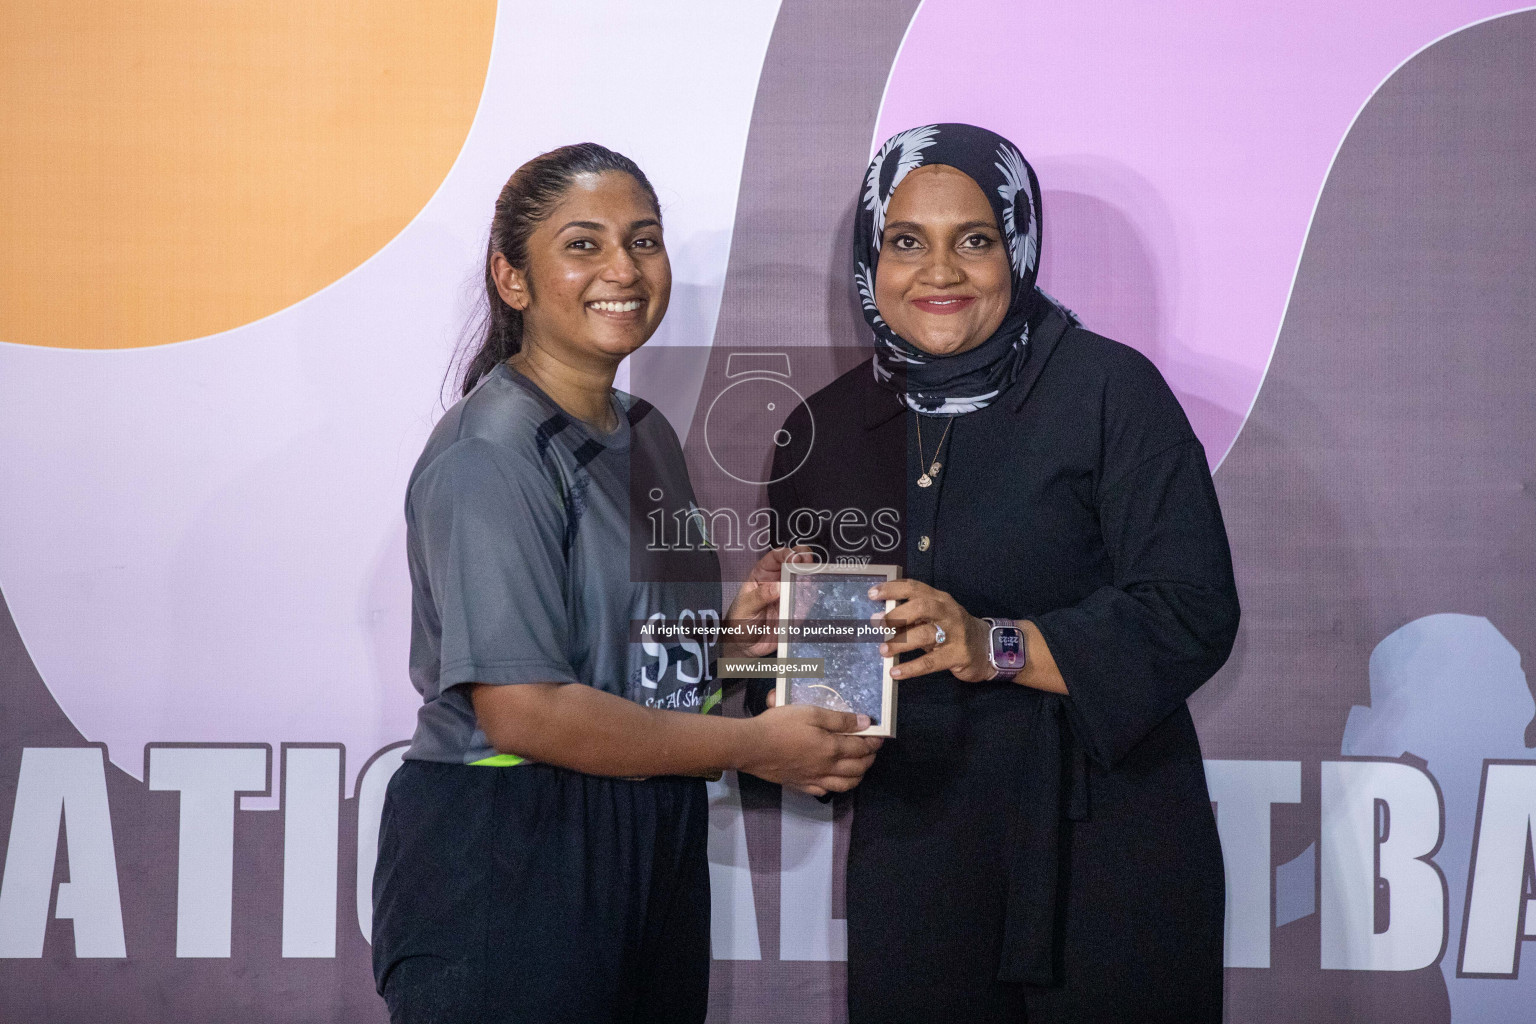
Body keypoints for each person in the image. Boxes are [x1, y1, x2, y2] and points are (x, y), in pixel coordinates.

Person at [371, 143, 882, 1024]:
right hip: (509, 850)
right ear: (513, 279)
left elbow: (622, 661)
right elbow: (523, 709)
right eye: (583, 244)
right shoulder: (491, 454)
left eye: (643, 241)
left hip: (647, 839)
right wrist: (756, 747)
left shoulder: (644, 432)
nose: (623, 268)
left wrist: (732, 642)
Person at [762, 124, 1240, 1022]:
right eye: (906, 242)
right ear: (872, 256)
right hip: (921, 865)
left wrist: (992, 642)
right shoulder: (819, 436)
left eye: (973, 240)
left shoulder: (1108, 392)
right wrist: (770, 665)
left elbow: (1191, 611)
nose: (938, 272)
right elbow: (824, 707)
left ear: (1016, 248)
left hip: (1109, 853)